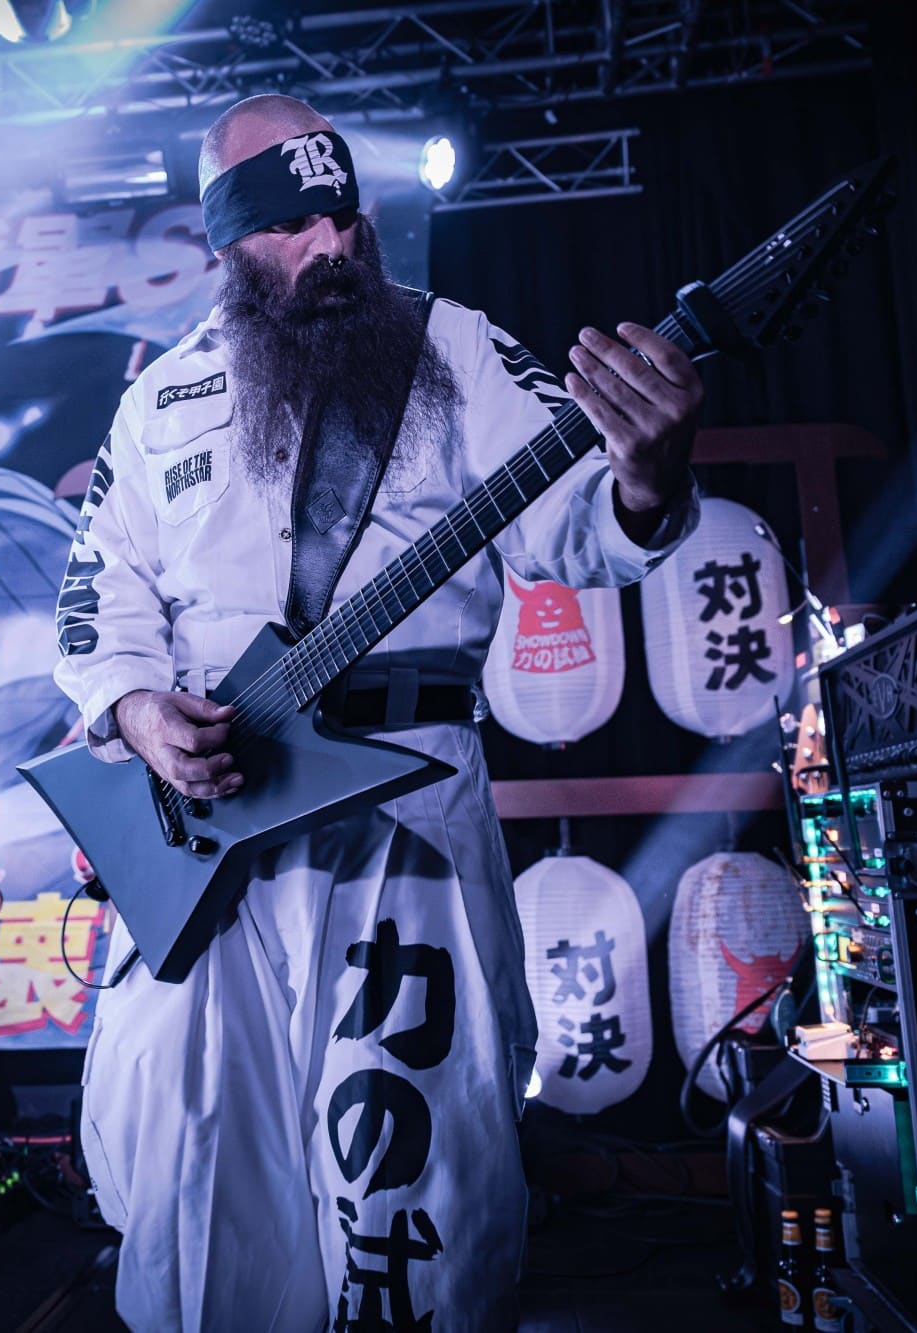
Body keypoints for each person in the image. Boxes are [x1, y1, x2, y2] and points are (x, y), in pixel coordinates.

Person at [53, 95, 706, 1330]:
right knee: (201, 1181)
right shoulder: (160, 399)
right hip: (209, 838)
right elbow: (100, 602)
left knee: (410, 1178)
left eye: (343, 214)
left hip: (401, 810)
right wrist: (136, 710)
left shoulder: (452, 347)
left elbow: (576, 527)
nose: (331, 244)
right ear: (226, 243)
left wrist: (643, 475)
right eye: (291, 224)